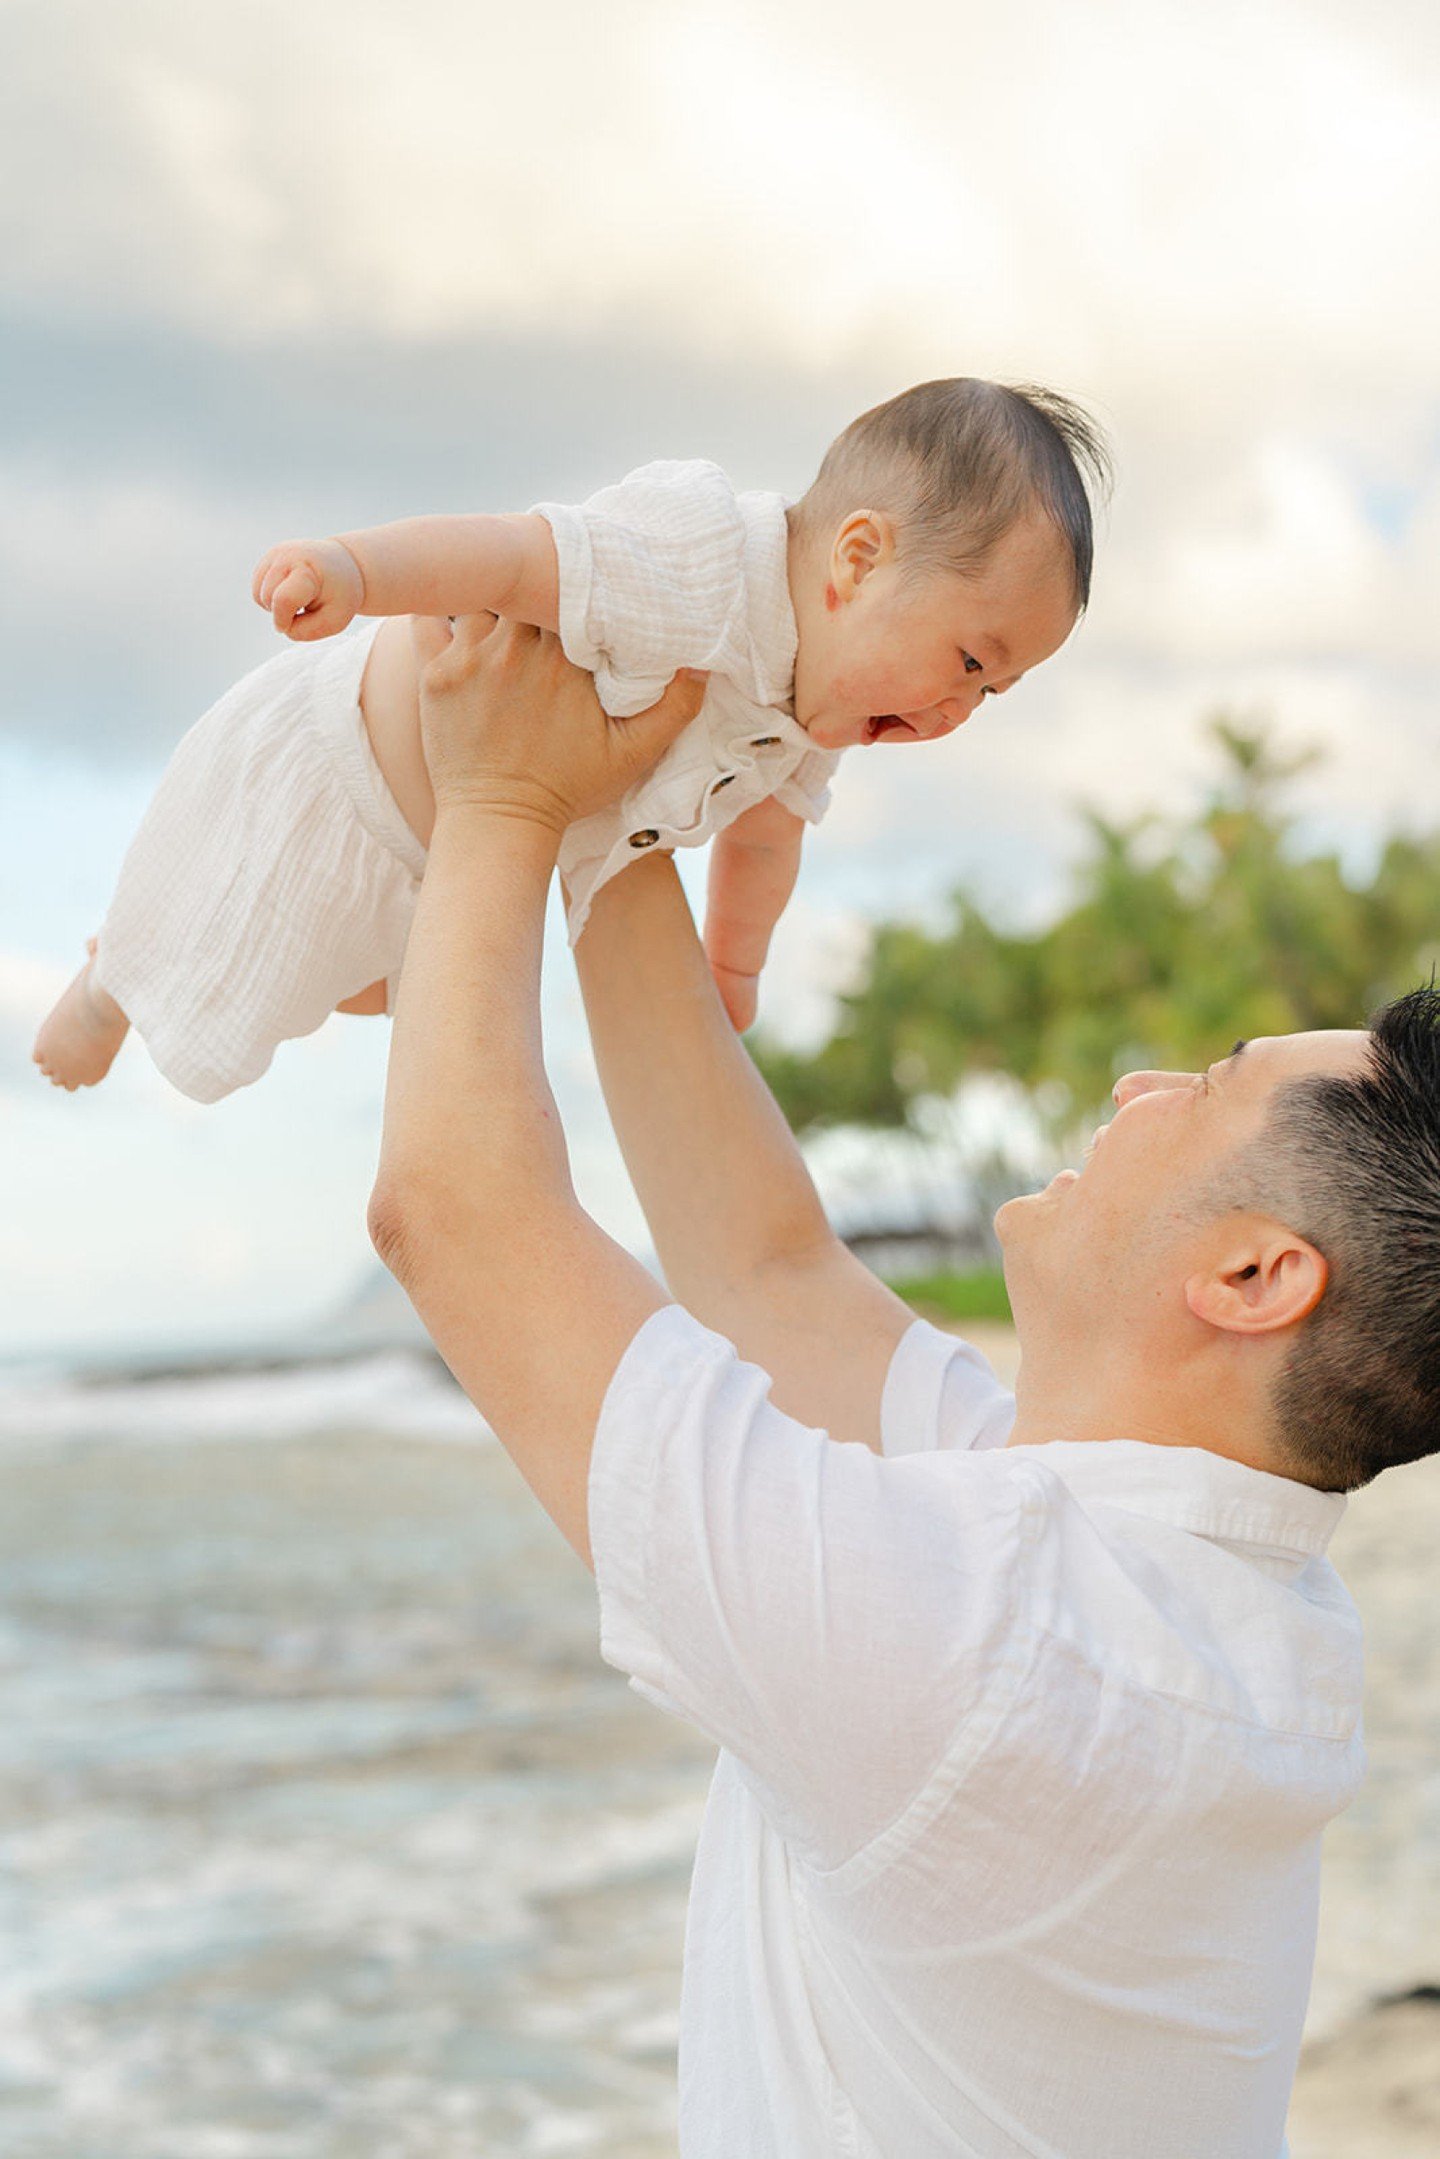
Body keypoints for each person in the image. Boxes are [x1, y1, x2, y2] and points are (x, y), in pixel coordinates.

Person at [366, 610, 1440, 2159]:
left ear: (1258, 1276)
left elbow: (453, 1214)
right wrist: (623, 807)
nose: (1141, 1086)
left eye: (1205, 1089)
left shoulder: (991, 1642)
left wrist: (501, 803)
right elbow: (768, 1269)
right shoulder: (1175, 1586)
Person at [32, 378, 1102, 1101]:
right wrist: (353, 571)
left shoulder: (805, 722)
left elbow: (769, 839)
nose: (963, 709)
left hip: (442, 860)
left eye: (996, 692)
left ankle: (134, 965)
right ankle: (103, 992)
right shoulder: (695, 561)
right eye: (969, 659)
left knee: (343, 988)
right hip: (337, 769)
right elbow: (507, 556)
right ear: (858, 559)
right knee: (208, 934)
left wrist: (733, 962)